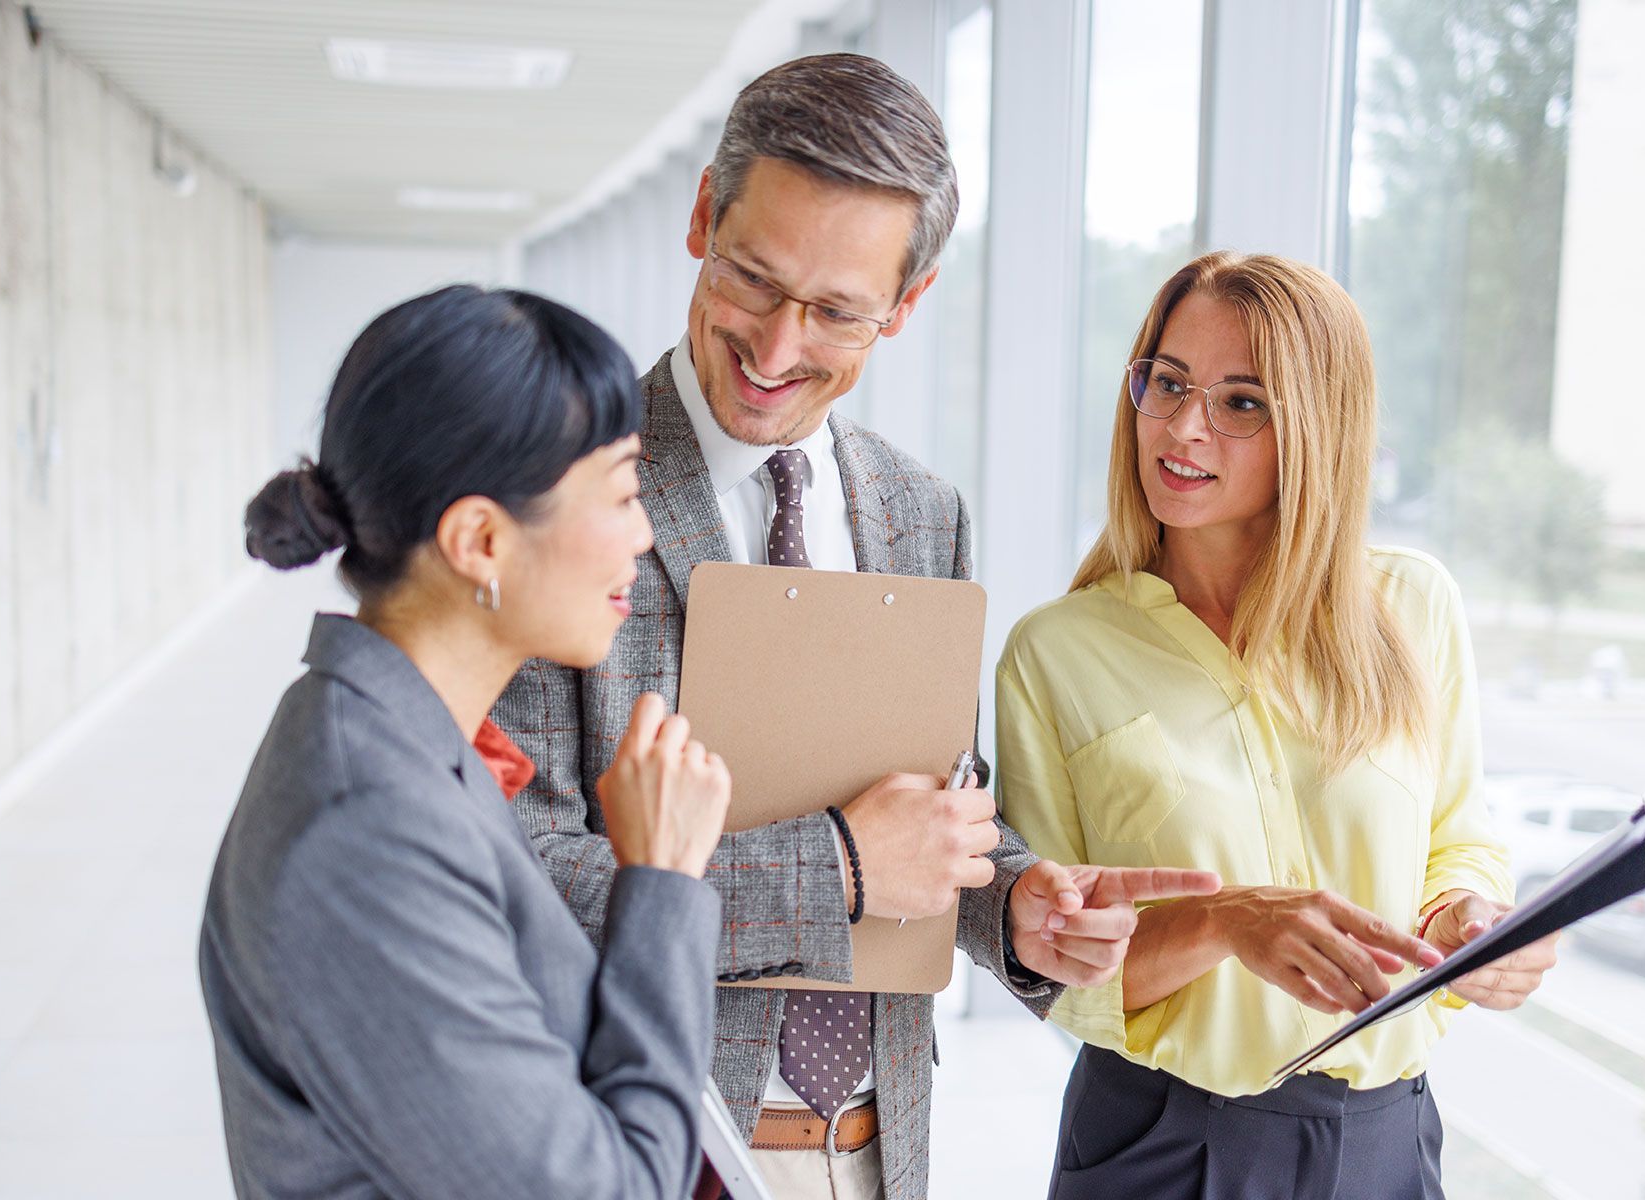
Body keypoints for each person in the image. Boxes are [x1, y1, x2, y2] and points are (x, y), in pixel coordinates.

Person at [494, 53, 1217, 1200]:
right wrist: (834, 865)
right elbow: (517, 883)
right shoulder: (562, 485)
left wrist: (1011, 904)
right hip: (650, 1143)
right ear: (701, 218)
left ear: (909, 303)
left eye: (836, 311)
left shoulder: (921, 514)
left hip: (875, 1150)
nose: (777, 350)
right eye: (751, 280)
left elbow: (929, 822)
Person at [996, 251, 1562, 1200]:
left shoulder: (1413, 608)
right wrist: (1224, 922)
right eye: (1167, 383)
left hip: (1389, 1136)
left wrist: (1468, 920)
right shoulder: (1055, 653)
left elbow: (1459, 836)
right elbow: (1058, 971)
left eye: (1242, 402)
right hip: (1165, 1141)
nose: (1182, 427)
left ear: (1318, 428)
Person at [199, 286, 733, 1200]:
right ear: (480, 540)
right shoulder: (365, 830)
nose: (643, 537)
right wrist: (664, 884)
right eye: (622, 492)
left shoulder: (400, 740)